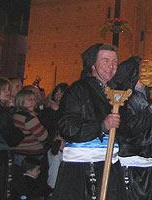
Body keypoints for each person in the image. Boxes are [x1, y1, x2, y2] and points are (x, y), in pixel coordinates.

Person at [53, 43, 124, 200]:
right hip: (82, 168)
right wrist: (102, 126)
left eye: (114, 61)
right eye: (105, 60)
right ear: (93, 64)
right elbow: (68, 127)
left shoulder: (117, 93)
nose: (111, 66)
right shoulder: (77, 90)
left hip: (110, 166)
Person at [109, 56, 152, 200]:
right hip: (133, 166)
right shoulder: (125, 100)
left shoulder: (146, 98)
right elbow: (128, 130)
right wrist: (150, 111)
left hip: (149, 164)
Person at [12, 88, 49, 166]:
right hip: (31, 155)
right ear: (21, 101)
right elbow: (44, 136)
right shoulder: (29, 118)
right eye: (29, 99)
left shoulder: (16, 114)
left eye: (34, 99)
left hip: (18, 152)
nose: (33, 102)